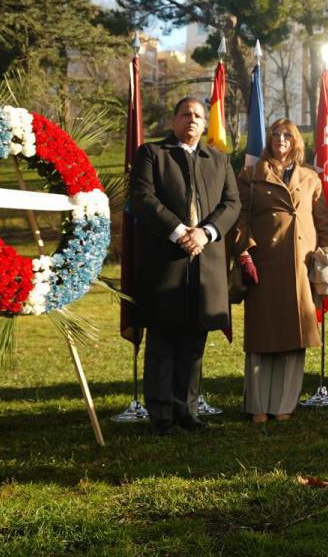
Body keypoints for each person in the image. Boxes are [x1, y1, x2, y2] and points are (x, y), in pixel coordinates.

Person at [129, 97, 240, 436]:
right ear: (174, 119)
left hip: (205, 264)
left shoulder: (218, 160)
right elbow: (143, 198)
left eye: (197, 116)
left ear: (205, 123)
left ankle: (187, 410)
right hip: (167, 262)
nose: (191, 120)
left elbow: (232, 203)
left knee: (194, 342)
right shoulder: (152, 154)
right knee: (162, 340)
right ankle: (161, 414)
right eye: (185, 114)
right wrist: (180, 232)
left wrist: (205, 233)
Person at [231, 119, 328, 423]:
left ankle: (285, 405)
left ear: (297, 141)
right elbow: (238, 218)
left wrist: (326, 254)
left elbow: (322, 222)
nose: (280, 138)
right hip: (264, 263)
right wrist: (244, 251)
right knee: (263, 335)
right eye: (275, 133)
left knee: (294, 335)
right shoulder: (250, 174)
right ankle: (258, 405)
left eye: (287, 134)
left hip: (301, 266)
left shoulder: (310, 177)